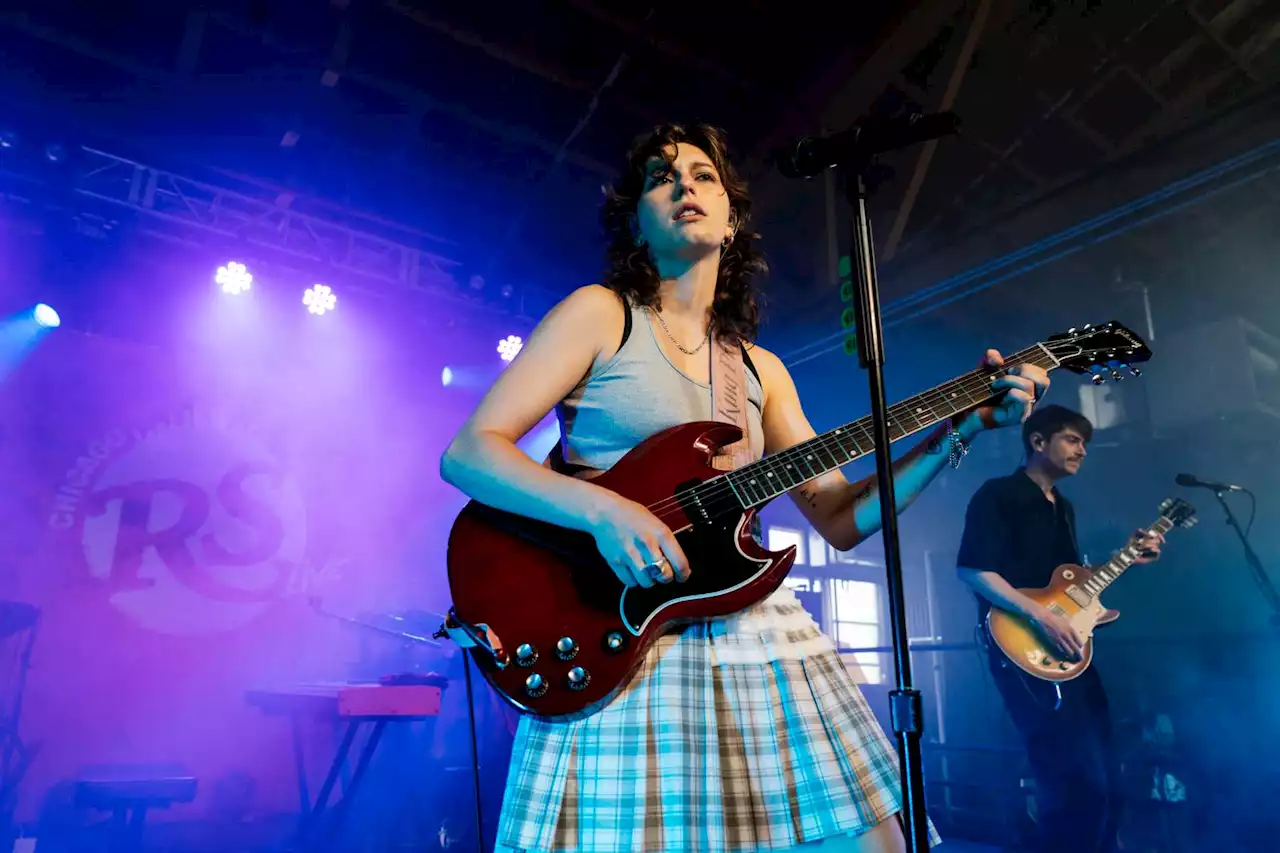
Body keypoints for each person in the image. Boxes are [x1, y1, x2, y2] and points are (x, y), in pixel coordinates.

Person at [440, 123, 1049, 853]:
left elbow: (842, 516)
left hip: (750, 625)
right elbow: (471, 452)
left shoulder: (761, 370)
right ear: (637, 218)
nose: (685, 187)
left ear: (731, 222)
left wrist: (961, 429)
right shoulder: (600, 314)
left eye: (703, 176)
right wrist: (604, 511)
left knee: (871, 841)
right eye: (663, 178)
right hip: (623, 632)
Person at [955, 404, 1165, 853]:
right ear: (1038, 442)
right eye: (1073, 439)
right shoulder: (999, 494)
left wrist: (1125, 555)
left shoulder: (1063, 507)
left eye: (1084, 443)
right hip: (1021, 647)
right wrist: (1041, 615)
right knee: (1068, 774)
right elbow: (973, 570)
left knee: (1108, 769)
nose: (1082, 450)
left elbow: (1070, 585)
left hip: (1071, 650)